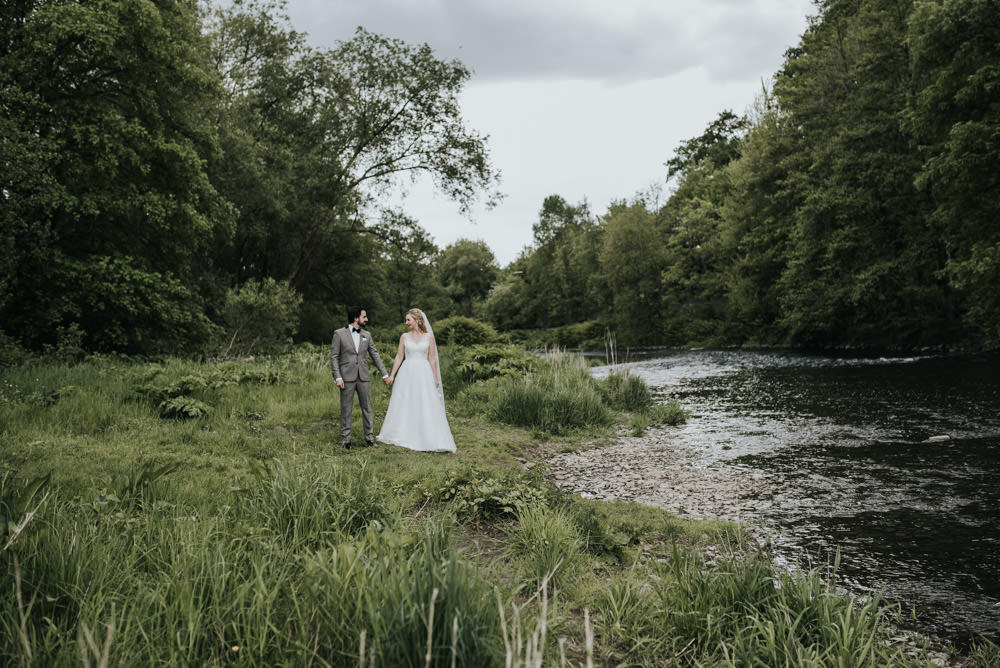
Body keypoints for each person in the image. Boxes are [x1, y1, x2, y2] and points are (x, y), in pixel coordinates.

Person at [378, 309, 457, 453]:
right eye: (406, 320)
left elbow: (432, 358)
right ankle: (404, 433)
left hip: (424, 373)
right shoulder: (404, 337)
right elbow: (399, 356)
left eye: (408, 320)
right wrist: (392, 375)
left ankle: (426, 435)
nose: (406, 322)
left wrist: (435, 378)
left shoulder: (429, 337)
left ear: (417, 320)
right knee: (406, 401)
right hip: (407, 373)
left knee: (424, 402)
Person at [331, 306, 390, 449]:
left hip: (363, 377)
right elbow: (334, 357)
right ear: (356, 318)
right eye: (364, 317)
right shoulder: (339, 334)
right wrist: (338, 377)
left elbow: (375, 355)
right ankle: (346, 440)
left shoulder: (367, 335)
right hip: (346, 378)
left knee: (367, 408)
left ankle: (369, 438)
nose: (367, 319)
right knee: (346, 409)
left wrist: (385, 374)